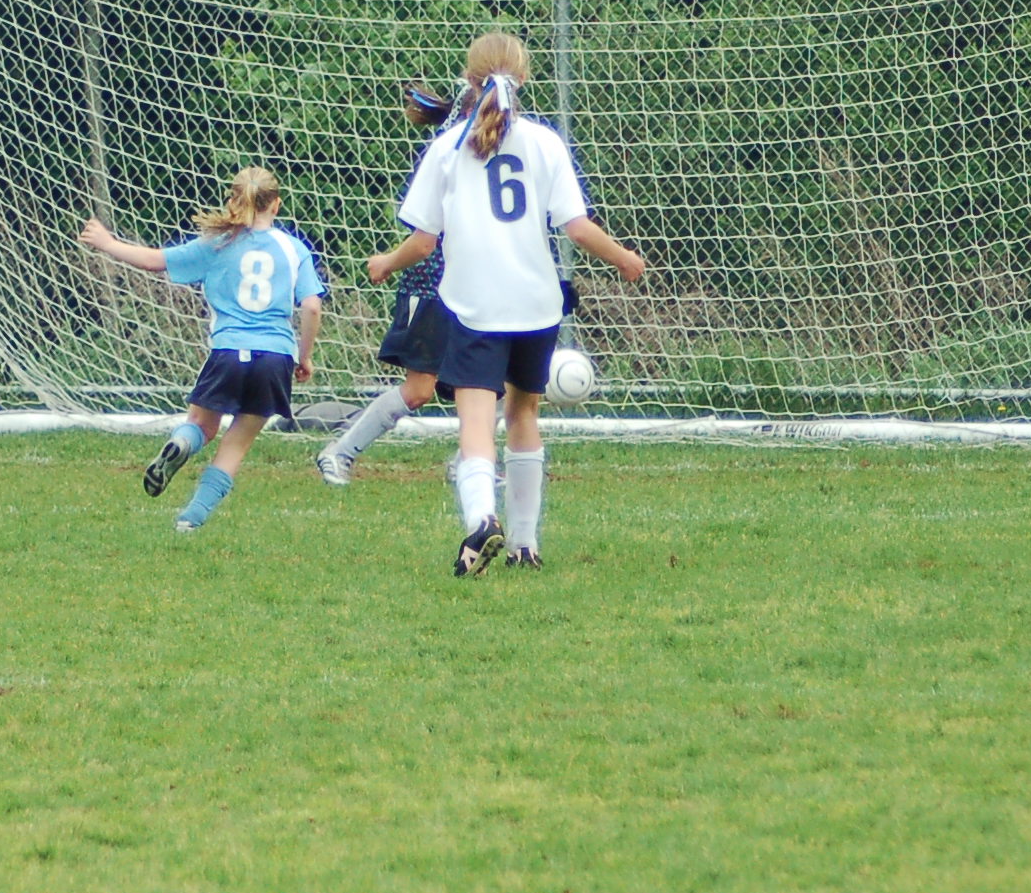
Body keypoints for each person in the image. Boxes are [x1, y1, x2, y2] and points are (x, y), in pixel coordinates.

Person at [369, 33, 644, 576]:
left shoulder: (448, 147)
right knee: (524, 414)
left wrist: (385, 262)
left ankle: (482, 520)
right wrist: (625, 259)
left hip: (476, 307)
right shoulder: (544, 142)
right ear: (524, 78)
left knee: (476, 424)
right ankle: (525, 543)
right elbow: (576, 226)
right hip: (537, 305)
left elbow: (423, 242)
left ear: (468, 80)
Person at [79, 167, 325, 532]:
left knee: (201, 425)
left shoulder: (219, 243)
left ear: (234, 201)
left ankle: (181, 442)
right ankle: (190, 519)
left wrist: (107, 242)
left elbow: (153, 260)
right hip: (275, 356)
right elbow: (312, 307)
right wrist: (304, 357)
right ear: (276, 204)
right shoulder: (294, 249)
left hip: (228, 350)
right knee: (235, 445)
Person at [314, 85, 462, 487]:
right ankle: (338, 452)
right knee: (419, 390)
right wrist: (388, 262)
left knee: (496, 383)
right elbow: (424, 241)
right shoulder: (447, 156)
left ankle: (470, 462)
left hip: (476, 289)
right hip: (432, 290)